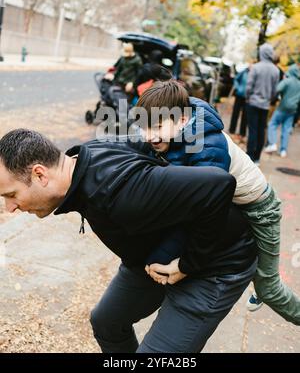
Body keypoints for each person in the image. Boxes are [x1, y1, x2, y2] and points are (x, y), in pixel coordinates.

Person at [0, 129, 257, 353]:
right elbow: (145, 142)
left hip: (215, 264)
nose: (9, 207)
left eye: (11, 195)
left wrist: (188, 264)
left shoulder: (121, 192)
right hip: (153, 258)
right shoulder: (84, 157)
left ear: (40, 175)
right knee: (106, 322)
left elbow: (218, 184)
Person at [136, 79, 300, 324]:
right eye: (144, 127)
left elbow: (204, 215)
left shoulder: (207, 149)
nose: (148, 135)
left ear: (181, 121)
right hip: (233, 202)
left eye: (157, 126)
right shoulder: (170, 131)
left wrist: (186, 265)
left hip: (260, 210)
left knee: (269, 288)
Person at [246, 43, 280, 165]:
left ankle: (249, 156)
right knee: (261, 130)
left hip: (253, 102)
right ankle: (257, 158)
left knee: (252, 130)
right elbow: (275, 91)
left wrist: (248, 97)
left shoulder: (256, 67)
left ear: (261, 53)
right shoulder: (276, 70)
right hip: (265, 105)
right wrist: (270, 99)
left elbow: (249, 86)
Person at [265, 63, 300, 158]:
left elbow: (277, 89)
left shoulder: (287, 81)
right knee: (286, 129)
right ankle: (283, 150)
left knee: (272, 124)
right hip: (293, 110)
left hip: (282, 107)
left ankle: (272, 144)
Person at [229, 66, 249, 143]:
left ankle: (242, 133)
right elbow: (236, 79)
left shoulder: (254, 73)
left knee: (245, 115)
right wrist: (237, 87)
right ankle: (232, 130)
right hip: (239, 95)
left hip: (247, 97)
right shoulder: (244, 71)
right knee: (235, 113)